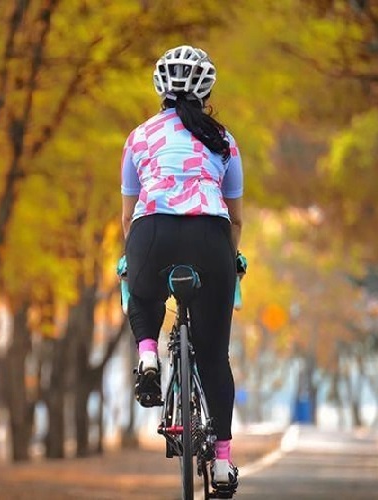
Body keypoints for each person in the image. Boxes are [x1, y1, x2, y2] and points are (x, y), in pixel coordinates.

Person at [119, 45, 244, 491]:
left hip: (152, 233)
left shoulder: (138, 137)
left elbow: (128, 213)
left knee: (143, 293)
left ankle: (148, 354)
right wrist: (232, 262)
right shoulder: (223, 139)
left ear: (160, 89)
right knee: (213, 356)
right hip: (211, 238)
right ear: (206, 90)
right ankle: (225, 464)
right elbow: (237, 218)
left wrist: (131, 259)